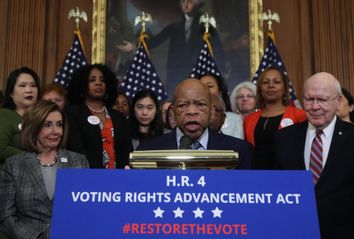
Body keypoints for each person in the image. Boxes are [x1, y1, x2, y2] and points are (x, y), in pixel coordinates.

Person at [273, 72, 354, 239]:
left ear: (338, 101)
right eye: (309, 99)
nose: (315, 106)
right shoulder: (284, 138)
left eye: (322, 100)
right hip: (293, 231)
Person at [0, 100, 88, 239]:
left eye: (59, 125)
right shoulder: (14, 165)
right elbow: (6, 217)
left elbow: (87, 211)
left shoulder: (78, 161)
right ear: (33, 128)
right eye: (47, 125)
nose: (55, 131)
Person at [137, 78, 253, 169]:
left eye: (200, 104)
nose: (192, 112)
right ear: (173, 112)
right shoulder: (146, 152)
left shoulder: (238, 151)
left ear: (211, 111)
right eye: (183, 105)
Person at [146, 0, 223, 96]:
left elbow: (217, 49)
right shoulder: (176, 26)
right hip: (178, 74)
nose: (186, 5)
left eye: (189, 1)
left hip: (199, 73)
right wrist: (135, 44)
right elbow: (157, 40)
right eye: (183, 1)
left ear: (197, 4)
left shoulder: (206, 23)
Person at [66, 64, 133, 169]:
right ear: (82, 84)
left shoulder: (118, 116)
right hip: (87, 176)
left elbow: (127, 150)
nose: (98, 83)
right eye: (92, 80)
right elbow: (76, 149)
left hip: (119, 177)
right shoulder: (73, 113)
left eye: (103, 80)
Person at [244, 66, 307, 169]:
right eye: (265, 82)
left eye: (276, 82)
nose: (271, 86)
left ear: (284, 89)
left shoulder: (299, 115)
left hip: (287, 175)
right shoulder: (249, 119)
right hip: (256, 175)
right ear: (260, 89)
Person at [0, 67, 40, 165]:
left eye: (33, 85)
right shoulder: (4, 114)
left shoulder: (42, 118)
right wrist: (35, 159)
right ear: (11, 93)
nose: (29, 90)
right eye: (22, 85)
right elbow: (1, 148)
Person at [199, 74, 244, 139]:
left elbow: (237, 146)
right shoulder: (192, 117)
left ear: (220, 92)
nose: (205, 89)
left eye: (210, 86)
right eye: (201, 86)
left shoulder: (235, 119)